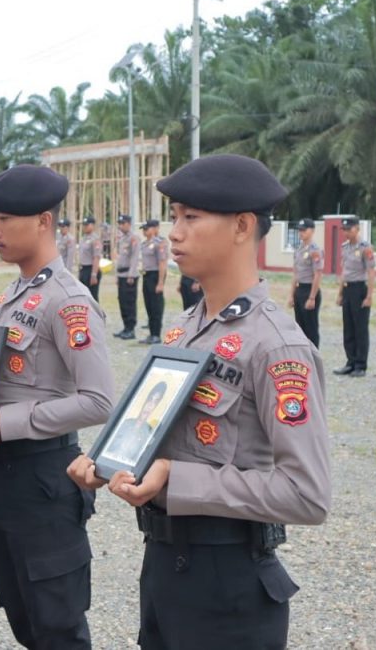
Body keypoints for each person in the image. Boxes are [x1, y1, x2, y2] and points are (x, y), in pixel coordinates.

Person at [68, 153, 331, 649]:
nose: (174, 232)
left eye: (191, 217)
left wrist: (178, 480)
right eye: (174, 217)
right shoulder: (186, 328)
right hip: (167, 568)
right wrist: (109, 462)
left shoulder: (276, 345)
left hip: (229, 587)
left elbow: (307, 494)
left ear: (242, 226)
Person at [0, 164, 115, 649]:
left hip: (44, 481)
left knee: (57, 626)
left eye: (3, 218)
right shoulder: (13, 295)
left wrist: (8, 421)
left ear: (42, 221)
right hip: (5, 478)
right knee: (25, 618)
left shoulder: (67, 301)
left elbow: (98, 400)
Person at [334, 216, 375, 376]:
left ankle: (360, 365)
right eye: (344, 229)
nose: (346, 232)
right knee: (348, 327)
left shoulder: (365, 248)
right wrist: (340, 293)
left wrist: (369, 296)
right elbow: (344, 271)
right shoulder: (345, 247)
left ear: (357, 229)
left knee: (360, 328)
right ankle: (350, 361)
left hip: (360, 289)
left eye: (349, 229)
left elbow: (371, 272)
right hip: (348, 289)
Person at [101, 380, 168, 465]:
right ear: (145, 400)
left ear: (158, 406)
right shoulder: (125, 422)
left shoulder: (149, 435)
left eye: (155, 402)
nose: (150, 405)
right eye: (150, 399)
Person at [288, 218, 324, 347]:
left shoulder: (315, 250)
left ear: (312, 231)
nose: (301, 233)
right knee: (300, 328)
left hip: (309, 290)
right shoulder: (299, 249)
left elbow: (318, 274)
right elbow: (295, 274)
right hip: (299, 290)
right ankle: (303, 358)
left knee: (311, 329)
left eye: (304, 230)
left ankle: (313, 359)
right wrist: (292, 295)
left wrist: (312, 297)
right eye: (300, 230)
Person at [138, 219, 168, 345]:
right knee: (149, 306)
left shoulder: (160, 243)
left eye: (147, 228)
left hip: (155, 276)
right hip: (146, 276)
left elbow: (162, 263)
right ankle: (151, 333)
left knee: (156, 306)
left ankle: (156, 334)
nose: (145, 231)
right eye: (144, 229)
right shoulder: (145, 244)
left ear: (156, 228)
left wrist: (161, 282)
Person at [114, 213, 142, 339]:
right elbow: (120, 258)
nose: (120, 226)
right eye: (119, 224)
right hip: (121, 274)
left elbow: (134, 257)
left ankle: (131, 329)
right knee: (122, 302)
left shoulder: (133, 238)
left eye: (122, 223)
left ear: (129, 224)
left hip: (129, 276)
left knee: (129, 302)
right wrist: (116, 275)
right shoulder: (122, 238)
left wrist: (131, 274)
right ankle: (125, 327)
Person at [77, 215, 102, 300]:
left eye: (87, 225)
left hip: (91, 269)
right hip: (83, 269)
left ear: (92, 225)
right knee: (84, 297)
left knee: (92, 297)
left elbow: (96, 257)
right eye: (84, 225)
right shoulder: (83, 238)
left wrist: (94, 274)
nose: (85, 227)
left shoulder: (95, 239)